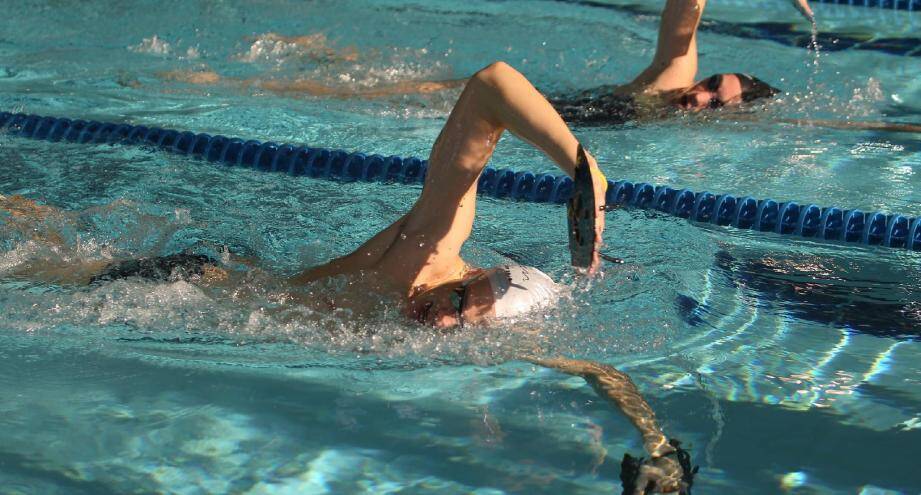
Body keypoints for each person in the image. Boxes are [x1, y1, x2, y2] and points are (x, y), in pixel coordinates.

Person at [4, 59, 698, 493]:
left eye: (467, 319)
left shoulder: (465, 331)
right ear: (472, 271)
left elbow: (597, 368)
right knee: (36, 260)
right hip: (178, 284)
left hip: (218, 295)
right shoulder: (429, 250)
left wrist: (656, 442)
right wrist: (582, 166)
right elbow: (491, 86)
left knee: (41, 242)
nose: (447, 316)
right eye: (461, 296)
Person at [165, 0, 813, 126]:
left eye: (714, 101)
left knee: (367, 86)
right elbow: (685, 12)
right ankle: (219, 79)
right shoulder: (669, 81)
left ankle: (284, 59)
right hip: (502, 98)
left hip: (505, 103)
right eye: (709, 82)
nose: (699, 94)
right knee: (355, 95)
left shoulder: (677, 122)